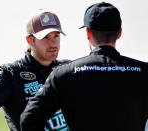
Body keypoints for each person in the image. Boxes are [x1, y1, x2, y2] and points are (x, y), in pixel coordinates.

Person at [20, 2, 148, 131]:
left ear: (87, 33)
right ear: (119, 33)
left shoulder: (64, 74)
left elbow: (29, 119)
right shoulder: (144, 72)